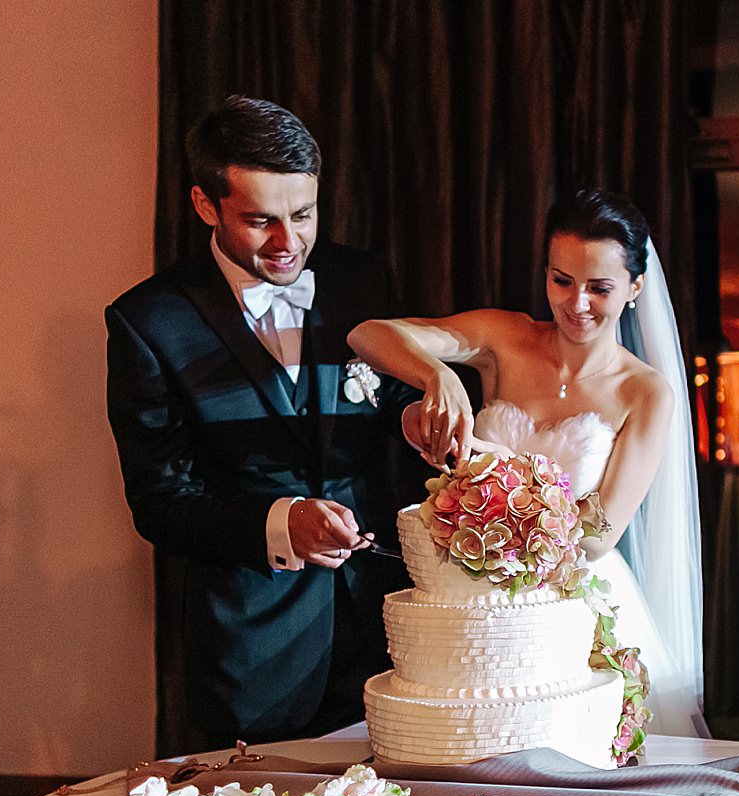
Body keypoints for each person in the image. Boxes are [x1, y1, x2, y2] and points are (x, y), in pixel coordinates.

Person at [105, 96, 420, 755]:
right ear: (204, 205)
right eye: (260, 221)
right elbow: (159, 503)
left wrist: (420, 416)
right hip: (256, 651)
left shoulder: (362, 280)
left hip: (383, 628)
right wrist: (281, 523)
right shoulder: (149, 322)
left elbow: (387, 401)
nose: (288, 242)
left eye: (302, 215)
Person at [347, 189, 706, 737]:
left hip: (569, 608)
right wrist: (436, 375)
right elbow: (367, 334)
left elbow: (600, 533)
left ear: (635, 288)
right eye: (562, 280)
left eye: (599, 288)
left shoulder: (644, 391)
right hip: (468, 594)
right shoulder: (504, 338)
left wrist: (493, 494)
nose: (576, 303)